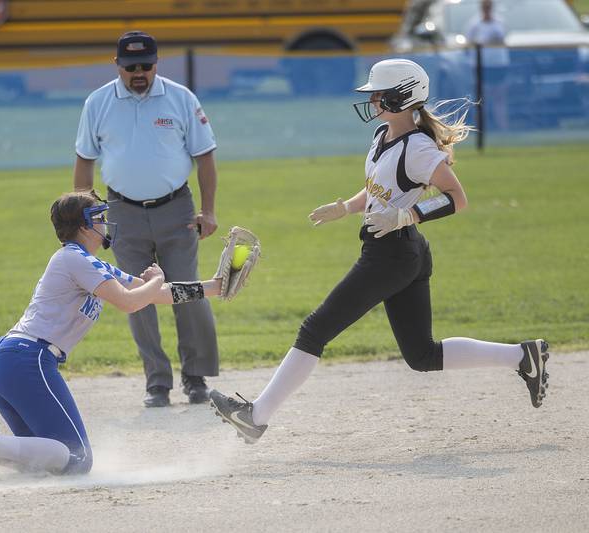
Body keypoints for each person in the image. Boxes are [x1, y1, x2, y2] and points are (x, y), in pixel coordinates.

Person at [209, 59, 550, 444]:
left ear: (404, 98)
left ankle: (256, 416)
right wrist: (347, 207)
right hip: (400, 253)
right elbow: (375, 188)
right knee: (422, 355)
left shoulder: (418, 147)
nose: (372, 100)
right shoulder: (383, 135)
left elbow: (458, 199)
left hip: (392, 255)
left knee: (314, 330)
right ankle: (523, 356)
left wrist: (407, 216)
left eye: (380, 95)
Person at [0, 191, 224, 475]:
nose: (105, 223)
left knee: (41, 461)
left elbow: (156, 294)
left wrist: (214, 287)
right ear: (84, 225)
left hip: (9, 360)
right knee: (77, 458)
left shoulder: (88, 263)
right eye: (99, 217)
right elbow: (131, 302)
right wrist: (157, 277)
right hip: (29, 359)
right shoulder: (75, 259)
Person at [73, 31, 220, 408]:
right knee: (136, 297)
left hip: (177, 210)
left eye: (146, 66)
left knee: (189, 291)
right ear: (117, 65)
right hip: (122, 212)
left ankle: (196, 377)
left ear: (156, 63)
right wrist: (88, 217)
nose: (139, 73)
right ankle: (157, 381)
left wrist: (209, 210)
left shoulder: (181, 98)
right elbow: (85, 162)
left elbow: (205, 157)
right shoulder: (98, 102)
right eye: (130, 67)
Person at [466, 0, 510, 130]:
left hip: (499, 65)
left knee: (500, 98)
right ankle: (481, 130)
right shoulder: (474, 25)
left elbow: (505, 39)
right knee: (481, 98)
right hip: (482, 66)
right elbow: (469, 45)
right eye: (485, 6)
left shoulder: (500, 23)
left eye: (489, 6)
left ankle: (503, 129)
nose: (487, 9)